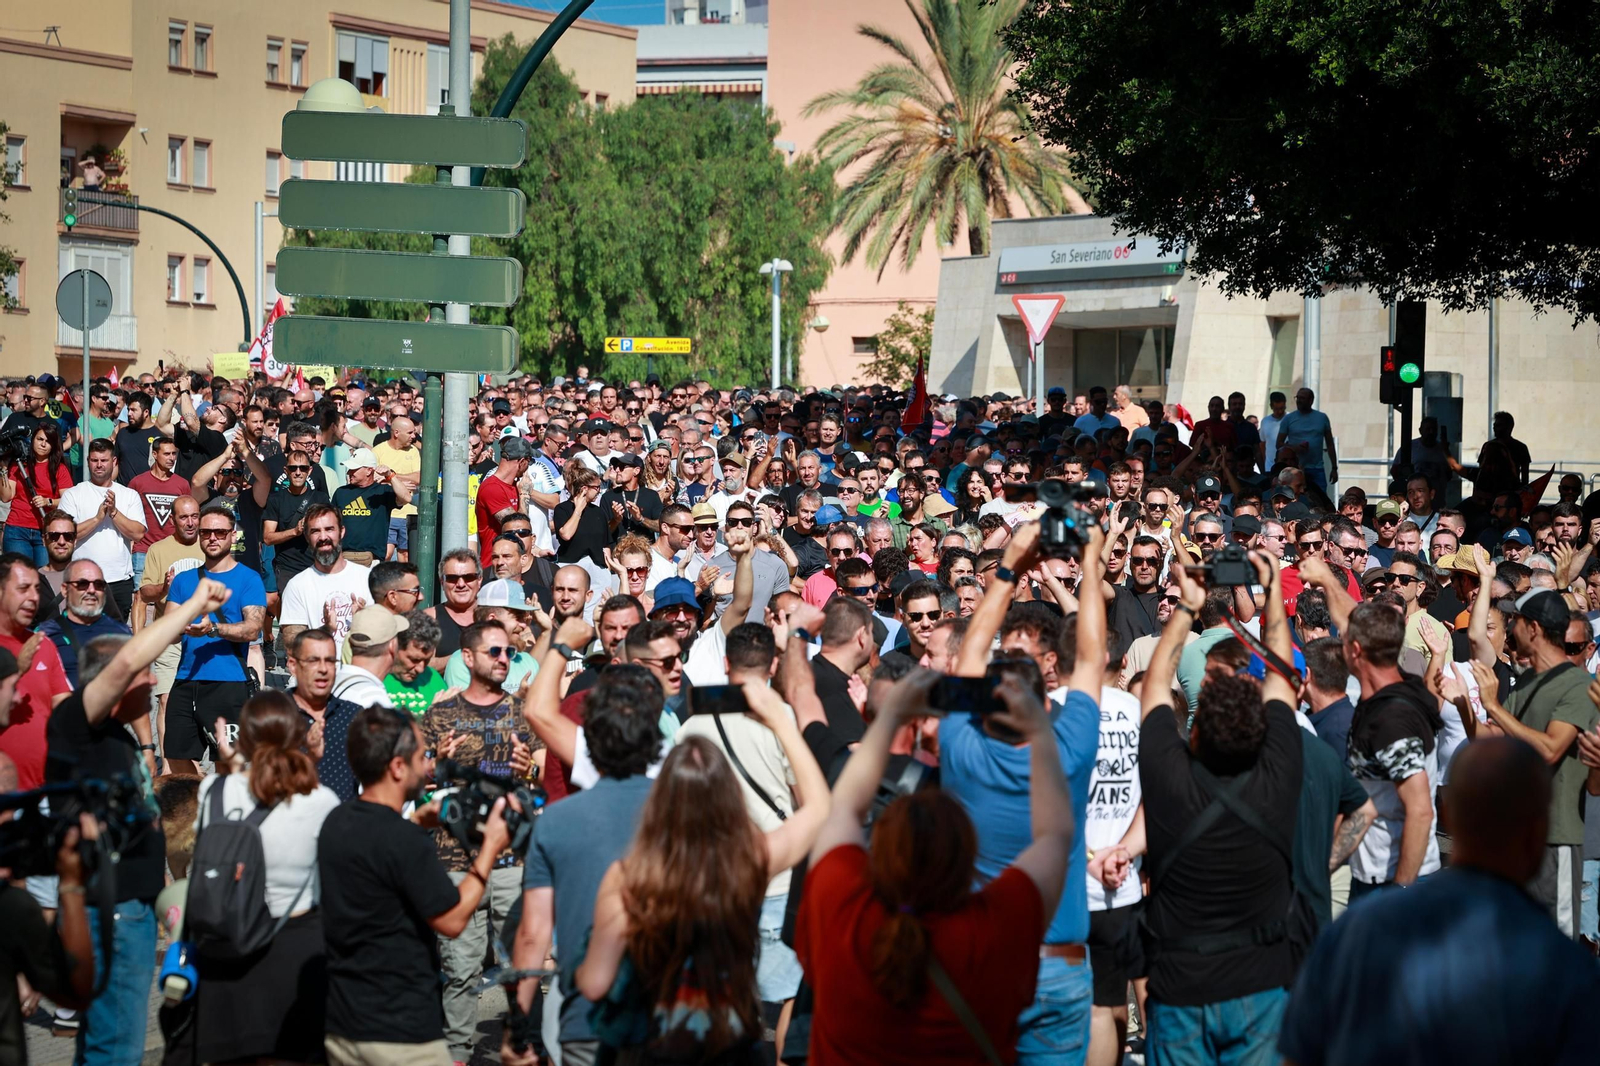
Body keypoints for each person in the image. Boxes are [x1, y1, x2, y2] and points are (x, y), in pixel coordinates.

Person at [796, 668, 1073, 1066]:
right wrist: (1039, 731)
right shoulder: (996, 928)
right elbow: (1055, 836)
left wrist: (891, 713)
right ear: (966, 859)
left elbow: (845, 806)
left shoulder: (843, 911)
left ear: (882, 854)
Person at [1278, 738, 1600, 1065]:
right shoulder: (1566, 971)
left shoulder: (1356, 930)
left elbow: (1299, 1056)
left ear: (1446, 814)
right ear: (1539, 829)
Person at [573, 681, 829, 1065]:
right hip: (727, 1043)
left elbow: (593, 983)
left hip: (650, 1047)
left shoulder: (628, 876)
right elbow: (820, 808)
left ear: (662, 797)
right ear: (729, 797)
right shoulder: (747, 862)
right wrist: (780, 720)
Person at [45, 575, 231, 1066]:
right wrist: (193, 603)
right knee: (118, 1050)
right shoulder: (74, 727)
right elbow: (129, 659)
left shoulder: (119, 740)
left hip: (132, 907)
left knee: (106, 1043)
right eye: (140, 675)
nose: (150, 681)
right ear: (107, 685)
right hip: (109, 910)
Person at [941, 520, 1104, 1065]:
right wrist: (1093, 556)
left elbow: (965, 660)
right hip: (1059, 969)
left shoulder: (961, 750)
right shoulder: (1072, 748)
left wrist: (1009, 564)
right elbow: (1092, 656)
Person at [1134, 551, 1304, 1065]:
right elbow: (1279, 677)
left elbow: (1155, 689)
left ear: (1196, 727)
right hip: (1262, 990)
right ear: (1263, 730)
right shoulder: (1280, 773)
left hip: (1181, 990)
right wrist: (1272, 591)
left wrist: (1187, 607)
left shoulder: (1168, 778)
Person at [318, 705, 514, 1066]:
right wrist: (489, 850)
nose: (429, 765)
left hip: (342, 1023)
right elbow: (453, 920)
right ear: (396, 767)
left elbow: (380, 858)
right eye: (422, 755)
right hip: (400, 1033)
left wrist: (415, 821)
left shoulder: (336, 820)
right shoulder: (403, 840)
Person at [503, 667, 665, 1066]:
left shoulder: (557, 821)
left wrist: (519, 1026)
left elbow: (533, 934)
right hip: (670, 1012)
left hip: (583, 1014)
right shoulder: (683, 808)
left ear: (590, 740)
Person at [187, 690, 341, 1064]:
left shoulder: (213, 790)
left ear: (246, 738)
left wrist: (232, 762)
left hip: (227, 942)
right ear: (297, 736)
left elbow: (244, 789)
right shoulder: (320, 800)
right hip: (296, 947)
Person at [421, 618, 542, 1064]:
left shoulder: (520, 712)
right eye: (494, 652)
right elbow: (418, 786)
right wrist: (438, 765)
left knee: (519, 967)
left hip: (510, 860)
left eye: (508, 652)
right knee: (460, 971)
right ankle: (456, 1055)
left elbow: (532, 783)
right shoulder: (440, 715)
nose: (504, 659)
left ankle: (519, 1048)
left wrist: (528, 766)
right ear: (467, 658)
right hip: (455, 858)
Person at [1467, 589, 1599, 935]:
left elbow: (1551, 749)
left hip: (1556, 839)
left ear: (1535, 629)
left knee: (1558, 948)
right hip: (1516, 839)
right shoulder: (1526, 680)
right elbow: (1489, 739)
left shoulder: (1578, 685)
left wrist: (1494, 706)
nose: (1511, 628)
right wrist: (1463, 705)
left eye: (1517, 621)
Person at [1343, 601, 1443, 897]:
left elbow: (1421, 811)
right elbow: (1372, 800)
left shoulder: (1392, 720)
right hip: (1372, 875)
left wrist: (1398, 896)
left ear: (1356, 650)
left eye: (1344, 640)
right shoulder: (1399, 690)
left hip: (1395, 882)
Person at [163, 503, 267, 775]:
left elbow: (253, 629)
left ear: (233, 535)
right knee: (175, 757)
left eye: (220, 533)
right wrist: (180, 626)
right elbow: (168, 631)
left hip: (229, 682)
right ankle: (197, 807)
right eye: (206, 532)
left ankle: (220, 811)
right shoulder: (184, 580)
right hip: (186, 679)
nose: (212, 538)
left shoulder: (249, 578)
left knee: (228, 764)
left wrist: (213, 629)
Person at [58, 438, 145, 621]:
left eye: (104, 460)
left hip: (119, 581)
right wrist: (98, 518)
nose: (99, 465)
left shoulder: (129, 495)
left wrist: (113, 512)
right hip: (81, 580)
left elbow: (138, 533)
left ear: (114, 462)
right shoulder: (74, 494)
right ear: (88, 461)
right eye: (94, 460)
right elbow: (65, 535)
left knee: (115, 641)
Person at [279, 505, 373, 659]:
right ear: (307, 537)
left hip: (361, 675)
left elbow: (390, 638)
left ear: (341, 532)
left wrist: (363, 623)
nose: (323, 538)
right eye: (315, 531)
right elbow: (292, 646)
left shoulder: (368, 578)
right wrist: (326, 629)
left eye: (329, 529)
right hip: (317, 676)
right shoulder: (297, 585)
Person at [38, 559, 130, 689]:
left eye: (98, 584)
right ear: (65, 590)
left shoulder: (121, 633)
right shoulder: (44, 635)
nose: (91, 590)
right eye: (82, 584)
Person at [0, 421, 74, 565]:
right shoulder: (20, 464)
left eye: (48, 441)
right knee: (19, 577)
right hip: (17, 529)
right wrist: (3, 469)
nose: (43, 444)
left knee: (43, 579)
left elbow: (68, 499)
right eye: (40, 439)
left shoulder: (59, 468)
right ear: (33, 440)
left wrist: (48, 501)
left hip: (44, 530)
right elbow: (6, 496)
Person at [331, 448, 415, 567]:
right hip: (343, 558)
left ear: (368, 470)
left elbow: (407, 498)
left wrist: (390, 476)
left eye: (354, 469)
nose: (349, 473)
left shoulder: (383, 492)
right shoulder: (341, 492)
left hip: (372, 561)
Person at [386, 609, 448, 716]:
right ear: (394, 647)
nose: (421, 669)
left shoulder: (432, 677)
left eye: (426, 660)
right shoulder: (375, 680)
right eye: (414, 660)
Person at [1276, 388, 1337, 491]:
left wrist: (1334, 468)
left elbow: (1330, 444)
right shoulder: (1288, 419)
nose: (1299, 400)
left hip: (1317, 469)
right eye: (1297, 398)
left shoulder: (1322, 418)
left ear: (1311, 400)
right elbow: (1279, 444)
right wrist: (1294, 448)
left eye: (1302, 398)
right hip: (1294, 469)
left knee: (1320, 499)